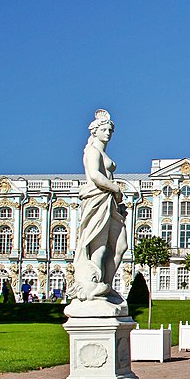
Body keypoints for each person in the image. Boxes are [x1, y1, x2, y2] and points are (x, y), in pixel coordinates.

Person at [70, 109, 128, 306]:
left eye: (110, 130)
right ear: (95, 131)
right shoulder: (92, 151)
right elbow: (95, 175)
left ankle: (107, 286)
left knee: (121, 246)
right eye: (105, 129)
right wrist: (116, 189)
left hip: (109, 200)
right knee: (99, 246)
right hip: (98, 198)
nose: (109, 133)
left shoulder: (102, 151)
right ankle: (94, 285)